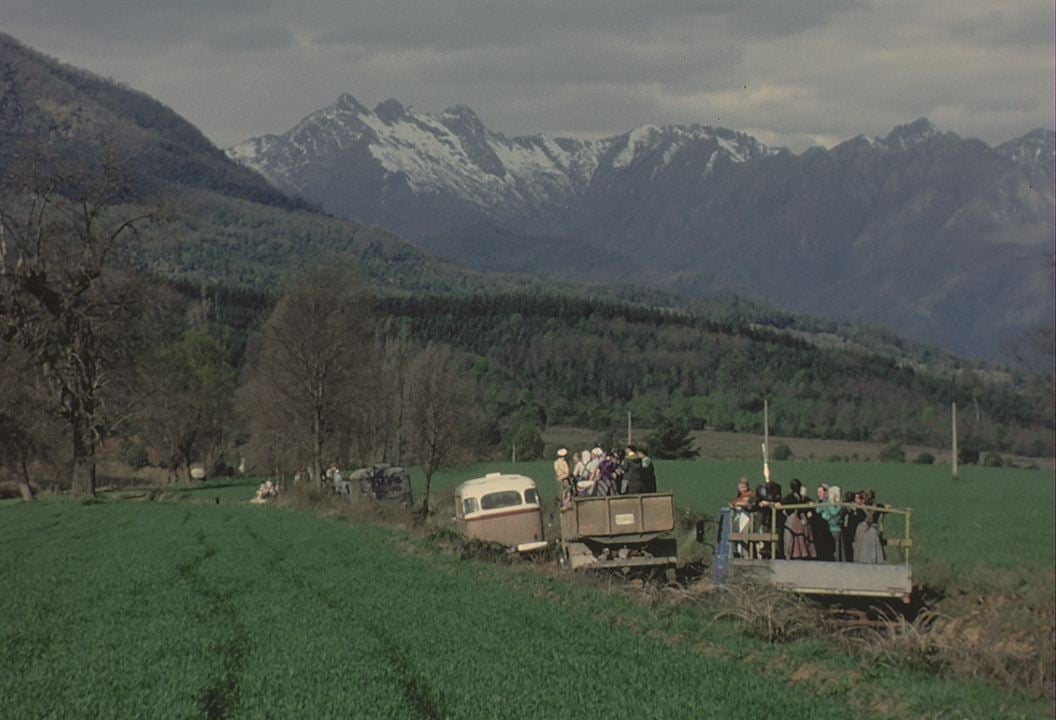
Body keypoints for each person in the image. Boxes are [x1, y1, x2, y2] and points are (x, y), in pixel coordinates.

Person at [780, 478, 816, 560]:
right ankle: (796, 553)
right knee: (794, 537)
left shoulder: (802, 498)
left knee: (799, 537)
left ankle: (800, 553)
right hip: (795, 521)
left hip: (798, 522)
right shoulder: (791, 497)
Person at [853, 489, 886, 564]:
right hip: (873, 531)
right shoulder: (879, 507)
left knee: (860, 551)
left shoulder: (859, 508)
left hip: (863, 530)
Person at [754, 475, 782, 558]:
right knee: (764, 541)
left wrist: (769, 503)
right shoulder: (761, 500)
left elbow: (778, 504)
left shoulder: (777, 498)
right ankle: (764, 552)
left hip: (773, 523)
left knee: (774, 544)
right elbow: (756, 504)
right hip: (765, 522)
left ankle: (774, 555)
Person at [817, 484, 845, 561]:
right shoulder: (837, 504)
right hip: (832, 530)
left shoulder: (834, 505)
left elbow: (834, 513)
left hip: (833, 530)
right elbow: (818, 510)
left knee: (836, 552)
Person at [729, 477, 755, 558]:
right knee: (735, 535)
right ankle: (736, 553)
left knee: (745, 537)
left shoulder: (750, 494)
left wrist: (739, 504)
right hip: (738, 519)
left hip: (746, 518)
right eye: (741, 487)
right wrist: (733, 504)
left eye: (744, 487)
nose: (743, 489)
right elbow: (732, 503)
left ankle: (746, 555)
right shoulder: (739, 496)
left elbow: (748, 503)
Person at [811, 484, 837, 561]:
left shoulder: (828, 504)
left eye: (820, 492)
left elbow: (833, 513)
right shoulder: (820, 504)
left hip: (829, 530)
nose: (818, 494)